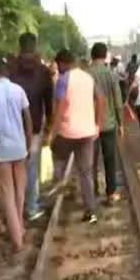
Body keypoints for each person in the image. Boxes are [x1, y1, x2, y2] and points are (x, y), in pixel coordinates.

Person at [0, 58, 33, 252]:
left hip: (1, 150)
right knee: (20, 191)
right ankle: (20, 227)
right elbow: (28, 119)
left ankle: (17, 239)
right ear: (6, 72)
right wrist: (28, 143)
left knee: (8, 195)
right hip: (19, 147)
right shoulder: (18, 90)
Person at [48, 49, 105, 224]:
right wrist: (98, 125)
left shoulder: (64, 80)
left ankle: (61, 193)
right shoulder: (88, 78)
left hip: (67, 132)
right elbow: (101, 100)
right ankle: (91, 211)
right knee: (86, 172)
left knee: (58, 161)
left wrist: (52, 132)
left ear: (63, 63)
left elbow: (60, 106)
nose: (59, 68)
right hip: (87, 132)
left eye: (58, 65)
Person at [9, 33, 53, 222]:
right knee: (32, 167)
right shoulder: (43, 72)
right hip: (34, 126)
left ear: (20, 46)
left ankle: (15, 208)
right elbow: (49, 103)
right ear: (35, 47)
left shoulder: (10, 70)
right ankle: (32, 206)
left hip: (11, 126)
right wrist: (49, 126)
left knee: (14, 167)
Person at [88, 43, 124, 205]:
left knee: (91, 161)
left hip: (90, 124)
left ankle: (93, 191)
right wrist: (121, 122)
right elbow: (118, 100)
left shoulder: (86, 74)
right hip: (109, 124)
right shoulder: (111, 74)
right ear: (104, 56)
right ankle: (111, 192)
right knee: (110, 159)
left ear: (92, 55)